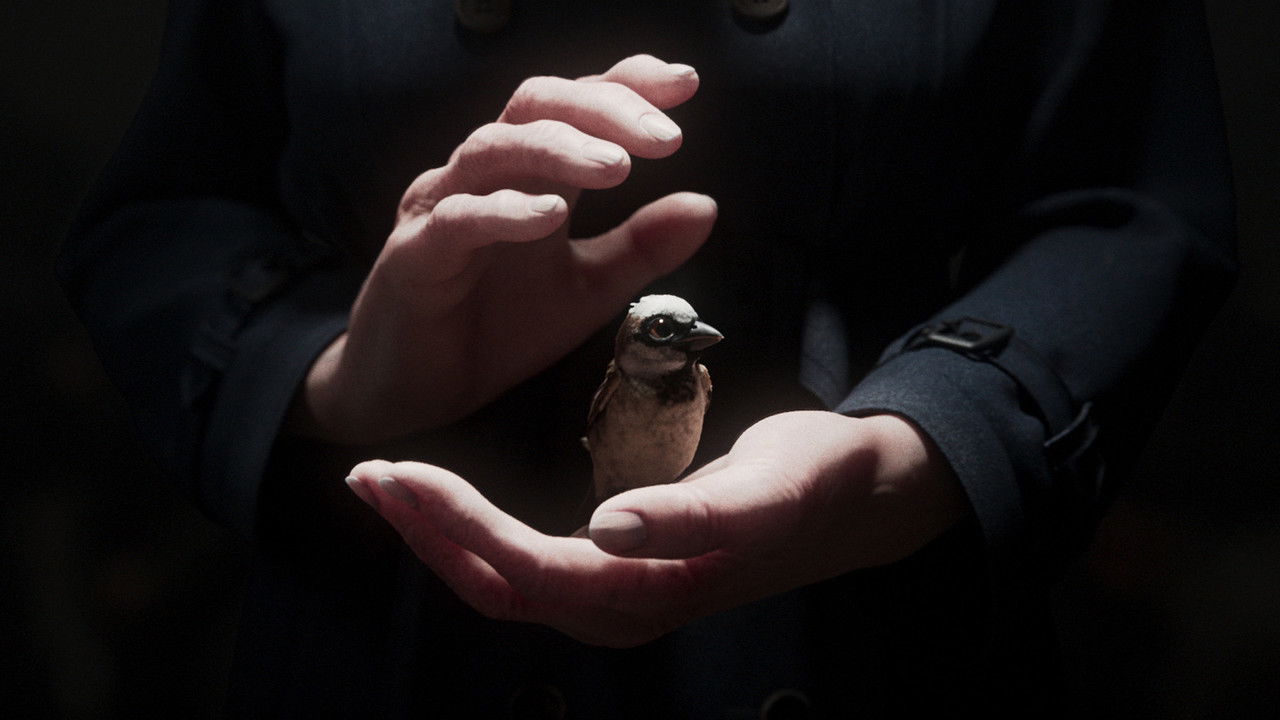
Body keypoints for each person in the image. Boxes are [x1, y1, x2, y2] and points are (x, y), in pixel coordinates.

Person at [60, 0, 1236, 716]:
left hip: (877, 638)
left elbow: (1121, 204)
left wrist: (923, 440)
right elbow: (167, 211)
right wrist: (337, 372)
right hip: (385, 637)